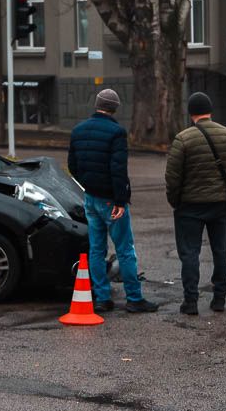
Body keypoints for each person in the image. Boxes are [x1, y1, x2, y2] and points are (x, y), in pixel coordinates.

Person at [67, 88, 158, 314]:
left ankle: (102, 298)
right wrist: (120, 200)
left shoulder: (78, 130)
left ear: (97, 104)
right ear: (115, 108)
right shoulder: (117, 132)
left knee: (96, 249)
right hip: (111, 201)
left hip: (91, 197)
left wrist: (88, 184)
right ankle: (134, 299)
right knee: (125, 249)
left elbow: (72, 165)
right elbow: (118, 170)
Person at [165, 92, 226, 315]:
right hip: (220, 205)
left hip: (189, 206)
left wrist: (176, 201)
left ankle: (190, 302)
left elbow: (172, 177)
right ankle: (219, 299)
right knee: (221, 251)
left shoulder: (183, 139)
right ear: (210, 110)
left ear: (191, 113)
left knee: (190, 253)